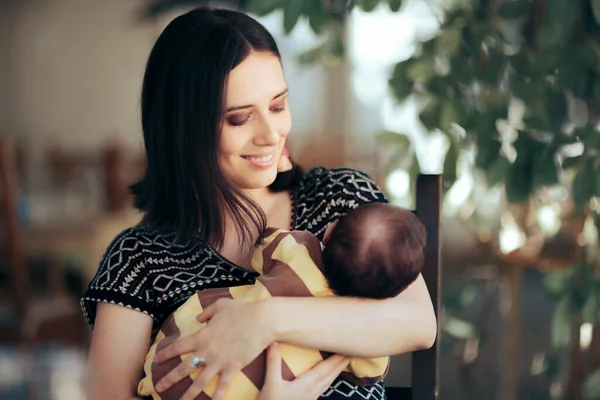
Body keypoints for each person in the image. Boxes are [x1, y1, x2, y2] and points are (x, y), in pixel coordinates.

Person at [81, 7, 437, 400]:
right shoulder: (139, 259)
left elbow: (417, 321)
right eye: (239, 118)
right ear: (185, 130)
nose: (271, 134)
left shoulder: (339, 199)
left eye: (278, 106)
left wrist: (265, 319)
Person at [138, 203, 426, 400]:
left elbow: (262, 247)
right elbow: (372, 371)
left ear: (331, 231)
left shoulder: (299, 249)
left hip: (166, 364)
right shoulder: (367, 345)